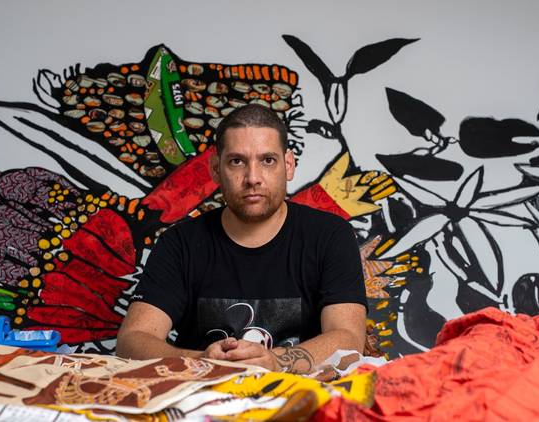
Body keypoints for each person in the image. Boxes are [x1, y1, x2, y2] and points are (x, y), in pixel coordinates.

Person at [117, 104, 367, 373]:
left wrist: (275, 361)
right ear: (215, 169)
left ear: (289, 164)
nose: (253, 178)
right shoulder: (180, 244)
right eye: (237, 161)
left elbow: (349, 340)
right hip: (201, 399)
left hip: (300, 400)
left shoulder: (330, 236)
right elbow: (132, 340)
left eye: (267, 160)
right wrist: (202, 360)